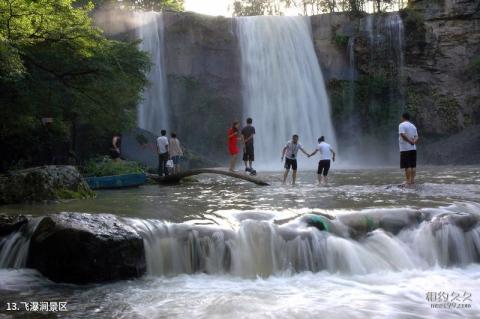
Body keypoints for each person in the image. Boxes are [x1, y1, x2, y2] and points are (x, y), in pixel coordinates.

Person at [398, 112, 419, 186]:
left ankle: (408, 181)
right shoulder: (413, 126)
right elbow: (417, 136)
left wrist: (410, 141)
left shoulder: (401, 125)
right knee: (413, 165)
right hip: (413, 148)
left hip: (405, 148)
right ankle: (412, 181)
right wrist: (414, 142)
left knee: (407, 166)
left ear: (403, 117)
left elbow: (402, 135)